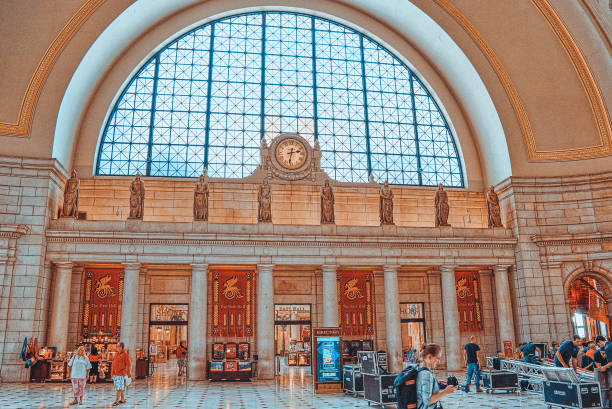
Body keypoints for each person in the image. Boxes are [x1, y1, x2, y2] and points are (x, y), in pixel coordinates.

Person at [417, 343, 456, 409]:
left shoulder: (420, 369)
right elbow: (428, 401)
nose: (439, 361)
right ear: (429, 357)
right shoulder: (426, 374)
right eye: (438, 358)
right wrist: (445, 392)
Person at [111, 342, 132, 406]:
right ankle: (122, 399)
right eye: (116, 346)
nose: (117, 348)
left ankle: (116, 401)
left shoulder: (125, 354)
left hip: (121, 373)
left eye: (118, 346)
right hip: (116, 373)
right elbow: (113, 364)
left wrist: (128, 374)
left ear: (121, 347)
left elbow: (129, 365)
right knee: (120, 387)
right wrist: (112, 373)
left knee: (119, 388)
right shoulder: (116, 354)